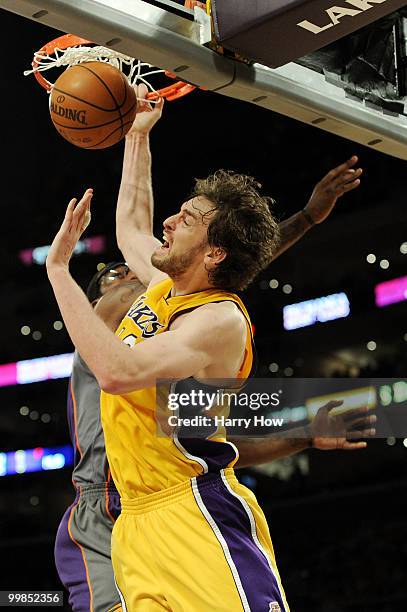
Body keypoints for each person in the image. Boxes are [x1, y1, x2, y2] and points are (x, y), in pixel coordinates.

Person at [47, 89, 374, 611]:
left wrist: (59, 271)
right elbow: (132, 221)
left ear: (214, 252)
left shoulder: (218, 321)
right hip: (133, 524)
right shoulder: (162, 286)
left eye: (188, 219)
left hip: (194, 512)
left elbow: (117, 372)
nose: (170, 223)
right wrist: (138, 134)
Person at [54, 262, 145, 612]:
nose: (132, 277)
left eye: (134, 271)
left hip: (162, 498)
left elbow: (221, 447)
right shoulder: (96, 338)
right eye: (117, 276)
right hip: (105, 505)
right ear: (92, 307)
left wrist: (304, 436)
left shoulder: (167, 353)